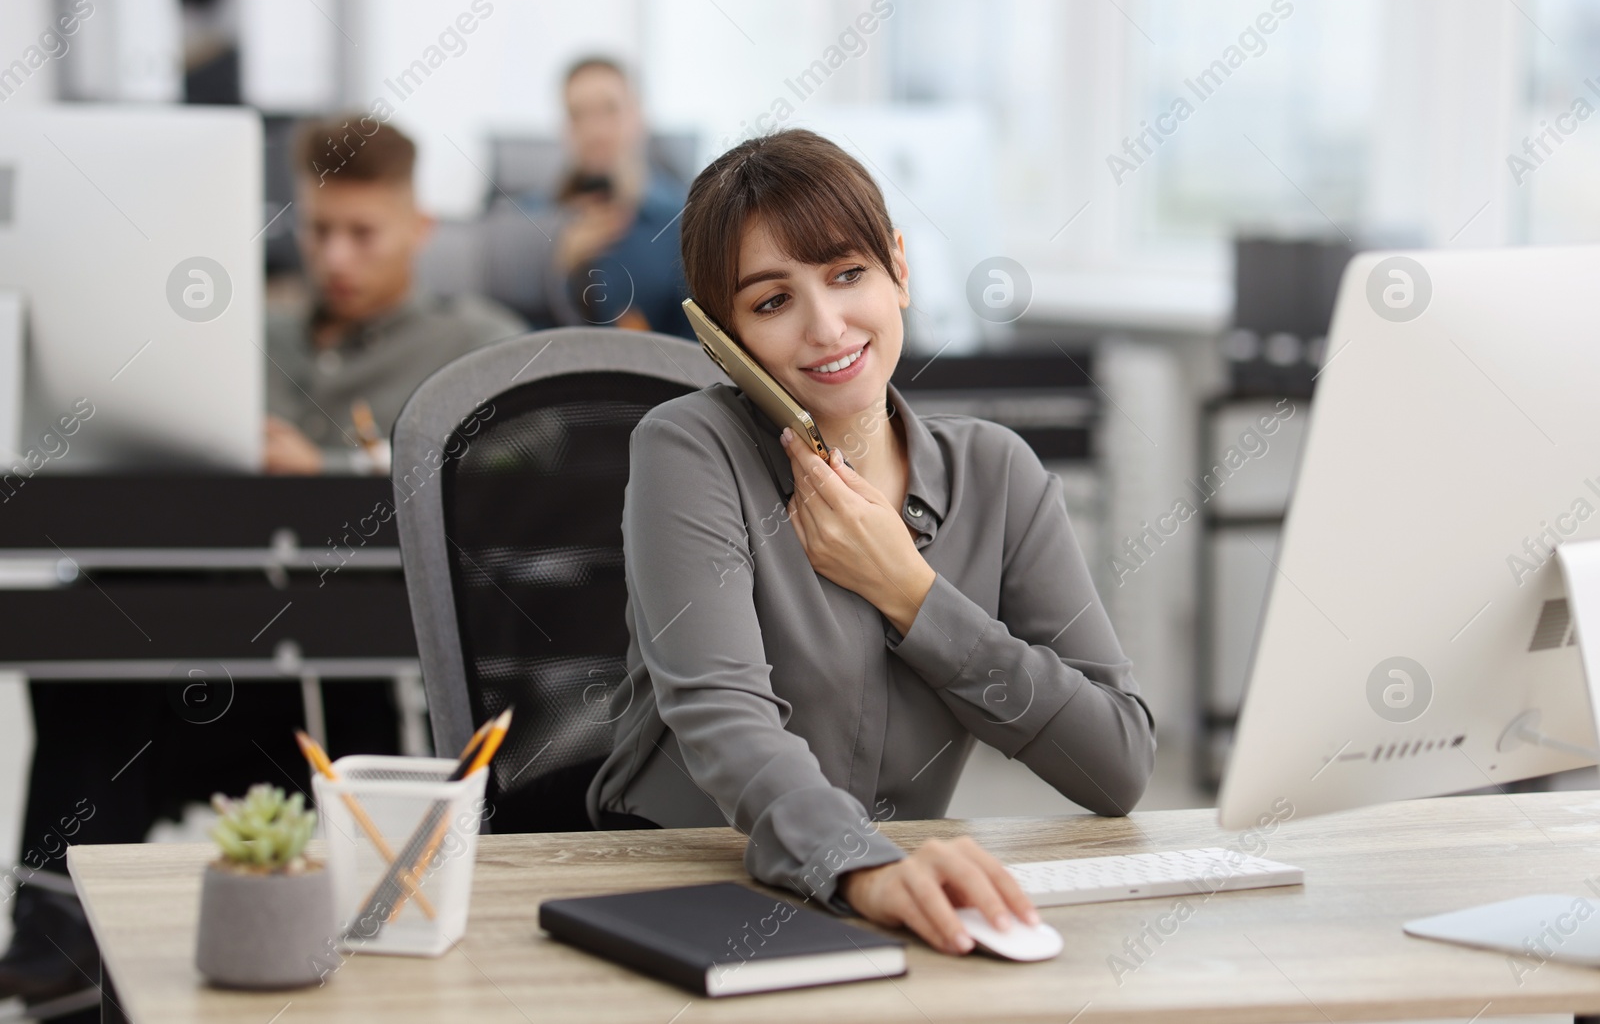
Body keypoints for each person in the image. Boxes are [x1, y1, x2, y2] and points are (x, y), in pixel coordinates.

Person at [586, 129, 1156, 955]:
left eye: (848, 274)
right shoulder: (688, 449)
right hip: (693, 888)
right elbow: (724, 715)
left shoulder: (999, 473)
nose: (826, 326)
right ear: (723, 337)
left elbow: (1118, 764)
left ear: (899, 269)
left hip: (897, 899)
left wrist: (912, 595)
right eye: (772, 300)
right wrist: (861, 867)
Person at [264, 116, 524, 475]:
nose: (335, 259)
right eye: (319, 230)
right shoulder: (257, 339)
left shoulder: (477, 344)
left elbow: (524, 456)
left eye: (363, 234)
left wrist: (331, 467)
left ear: (420, 229)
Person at [529, 56, 693, 338]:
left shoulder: (684, 220)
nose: (595, 131)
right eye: (577, 115)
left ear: (639, 117)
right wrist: (555, 264)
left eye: (610, 110)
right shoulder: (531, 220)